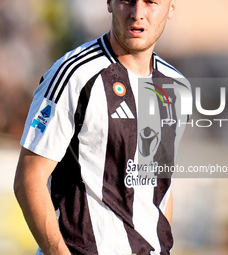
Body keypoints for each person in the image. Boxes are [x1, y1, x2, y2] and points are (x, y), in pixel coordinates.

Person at [14, 0, 191, 254]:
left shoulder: (176, 87)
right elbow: (29, 178)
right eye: (128, 1)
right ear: (109, 3)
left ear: (171, 7)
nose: (138, 14)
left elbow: (160, 188)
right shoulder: (74, 75)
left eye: (151, 2)